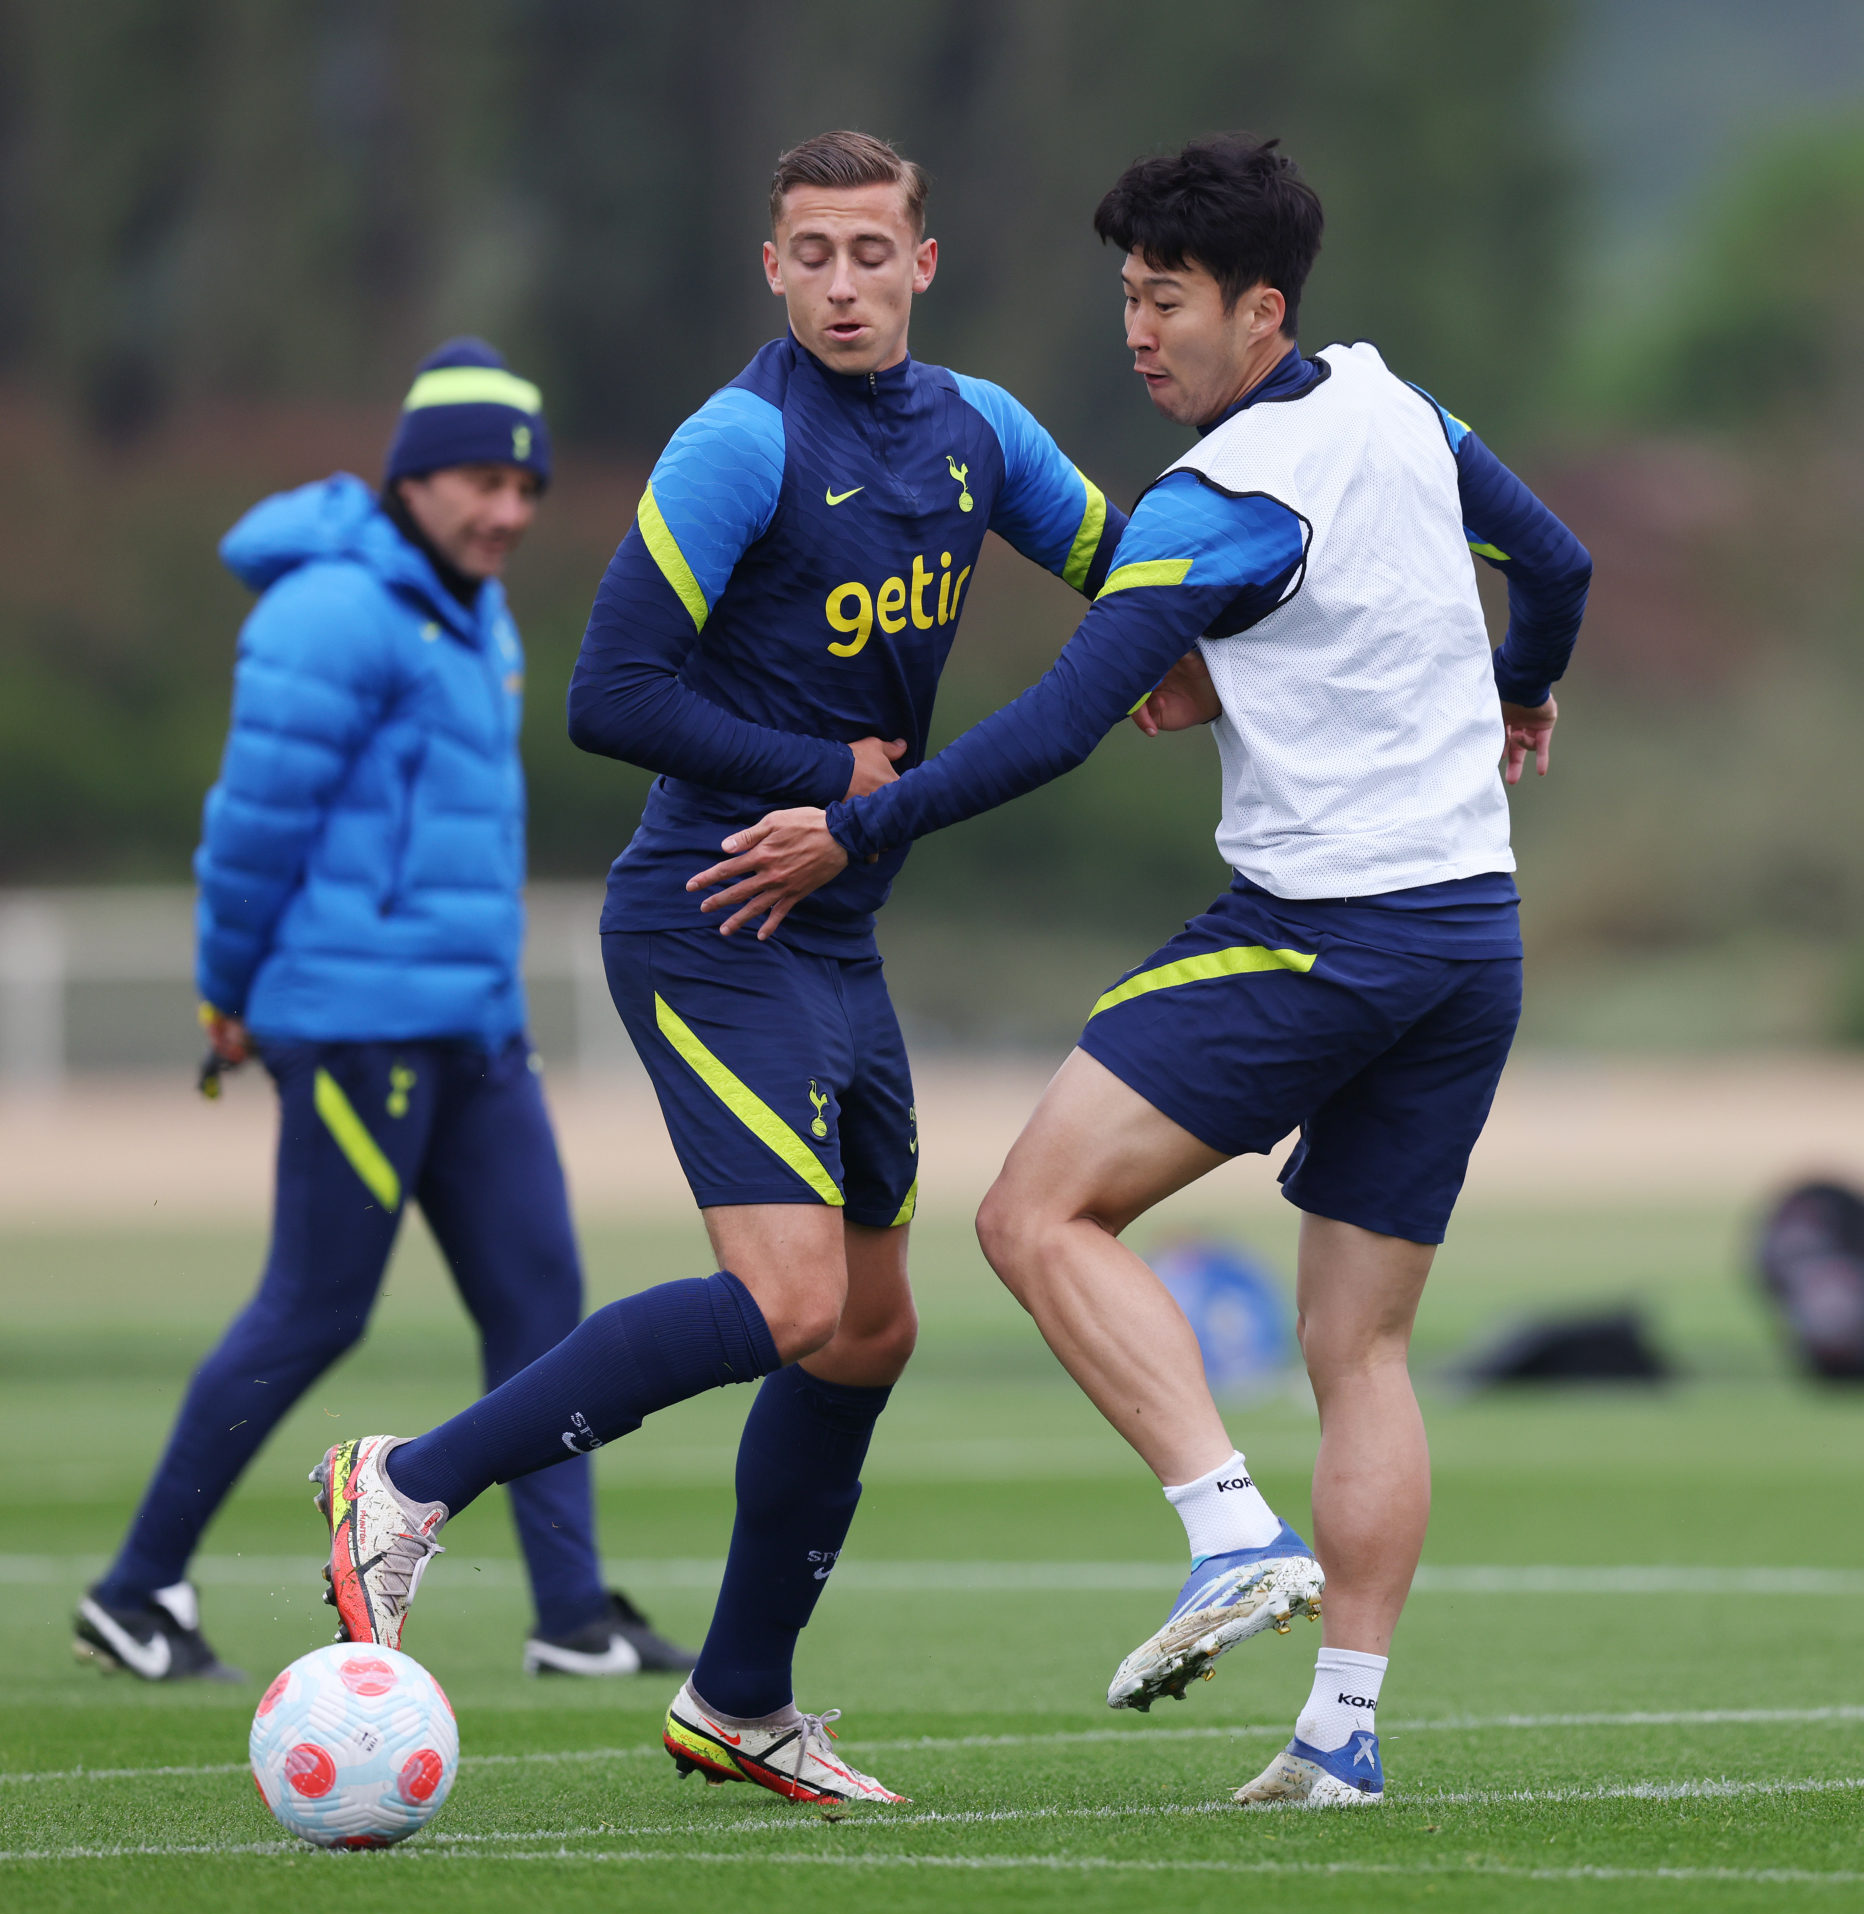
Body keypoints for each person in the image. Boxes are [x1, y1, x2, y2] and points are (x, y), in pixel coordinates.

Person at [688, 135, 1592, 1809]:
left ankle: (1224, 1529)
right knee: (1364, 1355)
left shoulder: (1223, 498)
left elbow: (1057, 722)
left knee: (1030, 1216)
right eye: (1125, 297)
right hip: (1473, 936)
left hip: (1327, 934)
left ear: (1260, 313)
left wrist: (852, 829)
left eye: (1165, 302)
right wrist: (1526, 688)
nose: (1137, 333)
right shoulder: (1402, 409)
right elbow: (1555, 565)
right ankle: (1340, 1735)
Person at [306, 130, 1126, 1806]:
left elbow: (1128, 568)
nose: (842, 283)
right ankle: (407, 1477)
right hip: (710, 914)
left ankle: (741, 1700)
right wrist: (827, 776)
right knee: (794, 1302)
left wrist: (1210, 638)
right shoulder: (741, 441)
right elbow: (609, 693)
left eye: (870, 252)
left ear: (925, 262)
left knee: (873, 1331)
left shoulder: (986, 434)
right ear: (774, 268)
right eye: (810, 253)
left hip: (840, 929)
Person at [75, 340, 692, 1686]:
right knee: (315, 1308)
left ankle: (573, 1616)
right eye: (481, 480)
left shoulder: (472, 610)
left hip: (472, 1026)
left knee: (541, 1298)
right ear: (414, 478)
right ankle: (136, 1593)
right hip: (354, 1025)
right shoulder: (332, 612)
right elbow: (249, 831)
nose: (509, 513)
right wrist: (225, 996)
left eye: (524, 486)